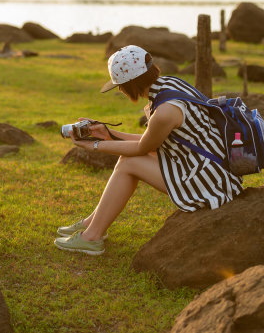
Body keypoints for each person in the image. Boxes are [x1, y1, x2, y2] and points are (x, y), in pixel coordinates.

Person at [54, 45, 243, 255]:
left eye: (120, 85)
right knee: (129, 160)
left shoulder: (166, 110)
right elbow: (151, 140)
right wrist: (108, 134)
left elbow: (143, 147)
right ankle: (93, 223)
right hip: (210, 167)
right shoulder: (170, 85)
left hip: (208, 180)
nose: (119, 90)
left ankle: (92, 237)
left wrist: (95, 145)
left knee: (129, 162)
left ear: (131, 84)